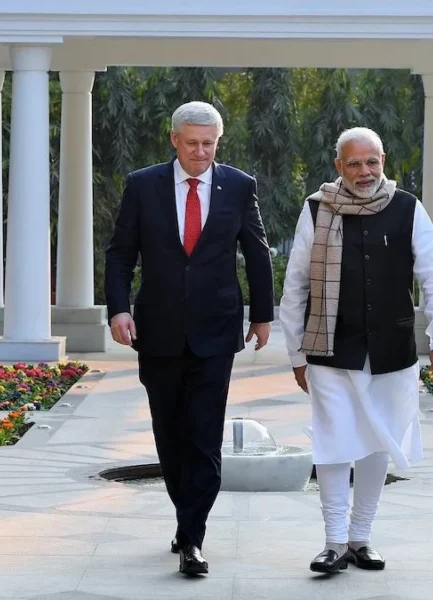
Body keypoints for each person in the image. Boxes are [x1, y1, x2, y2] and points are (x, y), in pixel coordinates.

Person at [104, 101, 275, 575]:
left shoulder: (239, 186)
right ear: (174, 139)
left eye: (210, 144)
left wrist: (263, 316)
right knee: (170, 436)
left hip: (216, 332)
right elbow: (120, 253)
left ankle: (193, 537)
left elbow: (257, 253)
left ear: (218, 142)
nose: (201, 152)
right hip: (156, 330)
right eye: (193, 142)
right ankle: (186, 518)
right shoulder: (143, 185)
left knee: (203, 436)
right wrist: (118, 309)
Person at [279, 127, 433, 574]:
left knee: (379, 443)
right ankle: (334, 542)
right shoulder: (317, 209)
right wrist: (296, 352)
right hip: (329, 349)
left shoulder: (407, 207)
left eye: (372, 162)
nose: (364, 171)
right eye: (354, 163)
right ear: (339, 166)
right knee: (334, 442)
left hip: (391, 349)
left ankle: (361, 537)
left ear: (383, 161)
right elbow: (296, 284)